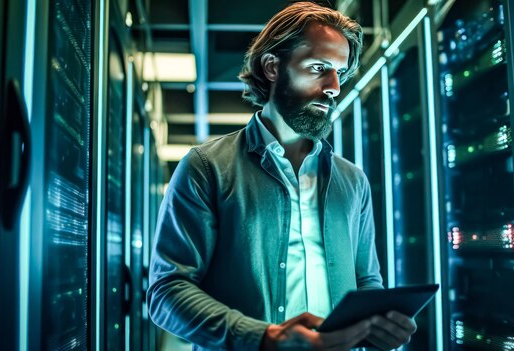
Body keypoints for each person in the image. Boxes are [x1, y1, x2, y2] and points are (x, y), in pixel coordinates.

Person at [147, 2, 417, 350]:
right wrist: (266, 338)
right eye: (319, 68)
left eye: (340, 72)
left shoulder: (352, 181)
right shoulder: (206, 167)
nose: (334, 86)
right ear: (273, 67)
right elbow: (167, 292)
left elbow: (367, 282)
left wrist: (380, 324)